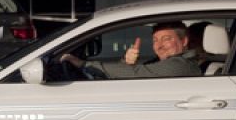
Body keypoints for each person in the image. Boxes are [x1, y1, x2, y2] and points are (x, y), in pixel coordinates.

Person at [60, 21, 201, 79]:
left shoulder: (180, 65)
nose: (159, 46)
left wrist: (83, 64)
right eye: (155, 41)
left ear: (184, 41)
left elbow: (136, 73)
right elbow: (133, 73)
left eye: (166, 39)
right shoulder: (170, 62)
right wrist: (127, 62)